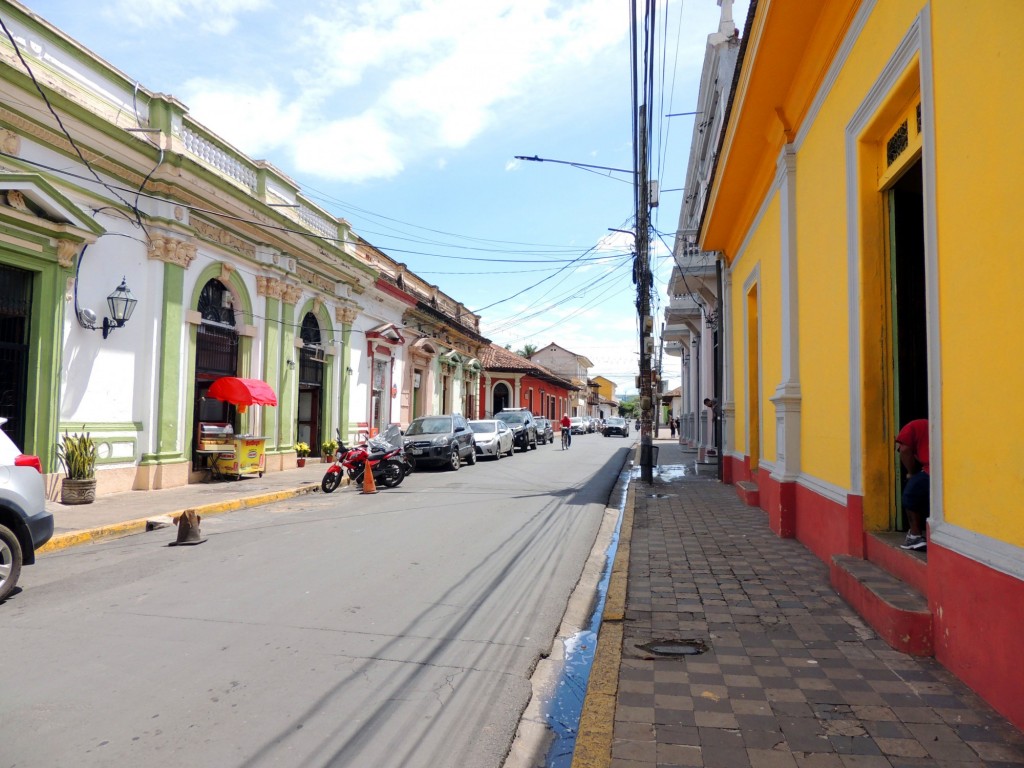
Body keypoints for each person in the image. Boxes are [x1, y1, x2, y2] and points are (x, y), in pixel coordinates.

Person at [896, 418, 930, 551]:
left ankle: (915, 536)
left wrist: (911, 472)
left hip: (929, 469)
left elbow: (904, 449)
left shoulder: (909, 429)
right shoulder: (928, 426)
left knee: (910, 496)